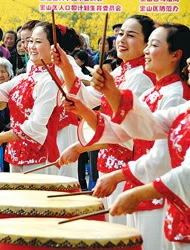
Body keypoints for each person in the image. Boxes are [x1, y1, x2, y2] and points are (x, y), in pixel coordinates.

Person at [63, 23, 190, 250]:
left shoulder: (177, 93)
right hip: (141, 184)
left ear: (176, 55)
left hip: (158, 191)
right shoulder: (157, 93)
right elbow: (143, 128)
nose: (147, 51)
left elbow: (162, 157)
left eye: (154, 45)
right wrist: (111, 93)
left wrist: (118, 176)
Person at [54, 15, 156, 225]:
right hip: (109, 162)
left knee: (121, 231)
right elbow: (87, 98)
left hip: (128, 168)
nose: (122, 39)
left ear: (147, 43)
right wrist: (65, 66)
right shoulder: (120, 72)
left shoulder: (143, 77)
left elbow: (127, 132)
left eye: (131, 35)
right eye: (120, 34)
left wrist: (80, 147)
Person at [0, 21, 63, 174]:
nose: (31, 46)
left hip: (40, 155)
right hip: (16, 151)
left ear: (53, 46)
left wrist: (2, 137)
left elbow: (36, 125)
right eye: (30, 41)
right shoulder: (23, 78)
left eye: (38, 42)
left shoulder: (51, 80)